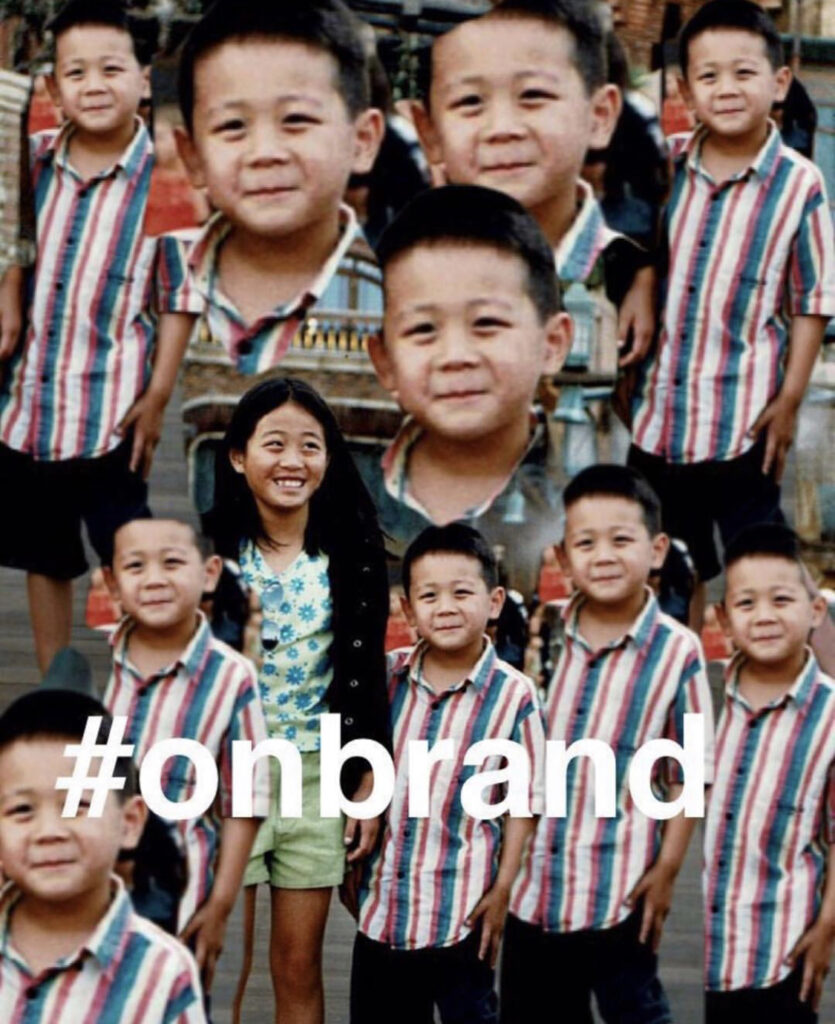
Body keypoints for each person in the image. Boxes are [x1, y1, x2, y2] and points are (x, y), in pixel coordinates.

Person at [0, 0, 197, 673]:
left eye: (111, 68)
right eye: (74, 72)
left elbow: (178, 294)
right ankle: (57, 672)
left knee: (129, 549)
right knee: (43, 550)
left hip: (114, 408)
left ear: (144, 78)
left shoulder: (164, 178)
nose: (93, 84)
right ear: (52, 89)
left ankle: (146, 667)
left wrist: (161, 392)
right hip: (31, 404)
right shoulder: (30, 166)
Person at [628, 0, 835, 629]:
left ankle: (808, 699)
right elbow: (634, 237)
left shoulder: (799, 184)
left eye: (744, 73)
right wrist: (639, 282)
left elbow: (812, 297)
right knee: (668, 569)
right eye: (708, 75)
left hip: (744, 419)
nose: (726, 89)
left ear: (778, 82)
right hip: (661, 416)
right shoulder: (668, 166)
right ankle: (681, 702)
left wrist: (792, 396)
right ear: (687, 90)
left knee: (763, 568)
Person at [503, 464, 714, 1023]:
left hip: (620, 890)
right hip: (529, 891)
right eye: (586, 542)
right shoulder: (538, 635)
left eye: (622, 539)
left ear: (657, 548)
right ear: (565, 558)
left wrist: (667, 871)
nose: (604, 555)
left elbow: (687, 772)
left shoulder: (677, 653)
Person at [208, 377, 391, 1024]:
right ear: (238, 455)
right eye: (274, 444)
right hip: (224, 777)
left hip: (315, 778)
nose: (292, 461)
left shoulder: (355, 557)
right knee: (218, 954)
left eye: (310, 446)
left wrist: (371, 774)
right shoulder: (209, 554)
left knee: (296, 963)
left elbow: (368, 677)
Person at [349, 523, 546, 1024]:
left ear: (495, 600)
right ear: (409, 610)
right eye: (429, 595)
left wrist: (503, 891)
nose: (446, 607)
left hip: (463, 914)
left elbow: (525, 801)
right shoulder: (387, 679)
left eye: (463, 592)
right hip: (382, 914)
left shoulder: (513, 696)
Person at [412, 0, 656, 373]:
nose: (502, 128)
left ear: (599, 115)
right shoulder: (402, 275)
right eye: (470, 101)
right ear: (429, 131)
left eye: (533, 95)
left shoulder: (653, 287)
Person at [362, 184, 572, 600]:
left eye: (487, 323)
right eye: (423, 329)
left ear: (552, 344)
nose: (455, 357)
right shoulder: (344, 504)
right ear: (384, 361)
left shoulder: (583, 504)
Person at [102, 517, 270, 992]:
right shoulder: (109, 663)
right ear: (114, 584)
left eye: (172, 563)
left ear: (210, 573)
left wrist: (218, 907)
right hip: (95, 887)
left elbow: (247, 800)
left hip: (179, 892)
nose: (154, 579)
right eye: (136, 566)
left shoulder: (231, 677)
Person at [173, 0, 385, 377]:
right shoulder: (143, 281)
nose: (265, 153)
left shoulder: (407, 305)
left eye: (296, 119)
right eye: (233, 126)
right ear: (193, 158)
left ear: (363, 141)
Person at [0, 688, 207, 1023]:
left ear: (129, 822)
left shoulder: (162, 974)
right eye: (22, 809)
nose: (50, 830)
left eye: (79, 804)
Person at [706, 523, 835, 1024]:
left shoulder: (828, 722)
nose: (764, 617)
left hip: (777, 963)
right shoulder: (698, 705)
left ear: (814, 610)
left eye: (781, 600)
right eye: (746, 604)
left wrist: (826, 928)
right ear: (724, 618)